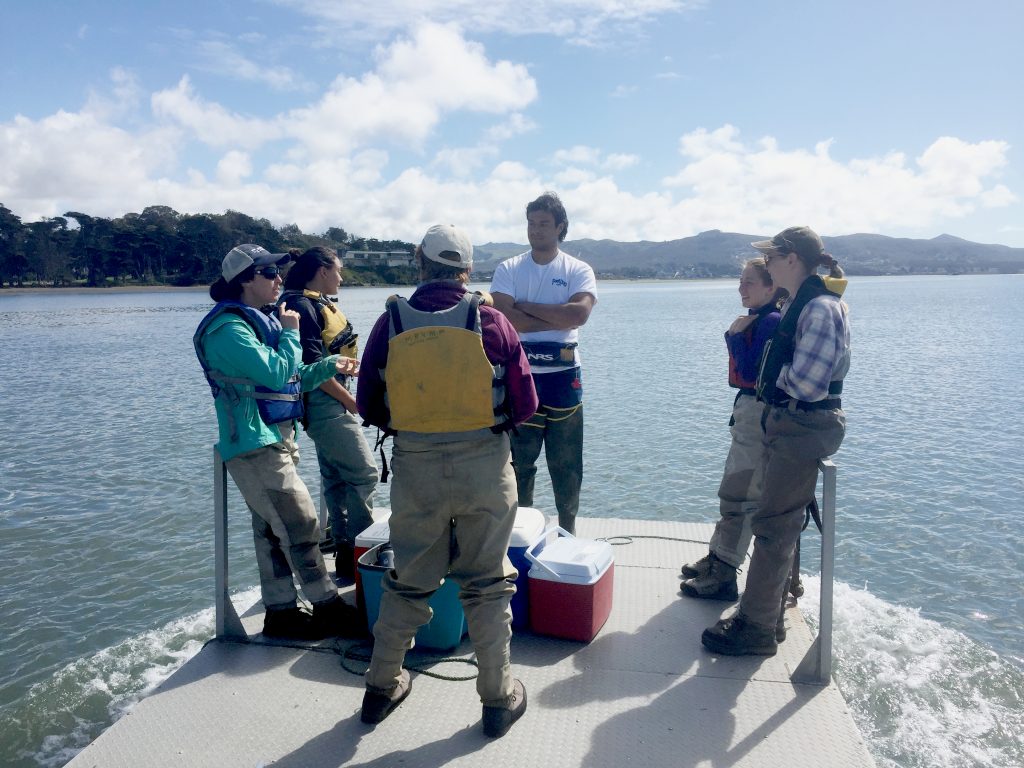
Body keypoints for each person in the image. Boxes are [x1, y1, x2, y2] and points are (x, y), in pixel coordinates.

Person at [356, 224, 538, 738]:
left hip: (416, 467)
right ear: (467, 268)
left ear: (419, 262)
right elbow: (524, 402)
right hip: (485, 466)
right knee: (486, 582)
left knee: (409, 579)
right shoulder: (493, 321)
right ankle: (497, 700)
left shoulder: (389, 322)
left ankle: (380, 687)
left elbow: (370, 403)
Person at [194, 243, 365, 640]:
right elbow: (273, 373)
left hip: (273, 437)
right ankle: (326, 607)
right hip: (253, 442)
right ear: (245, 281)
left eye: (277, 273)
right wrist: (291, 333)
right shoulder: (227, 330)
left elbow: (290, 378)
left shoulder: (256, 321)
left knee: (272, 529)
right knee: (300, 521)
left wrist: (329, 365)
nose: (278, 280)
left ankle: (281, 613)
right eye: (269, 274)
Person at [701, 226, 850, 656]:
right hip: (789, 423)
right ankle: (767, 614)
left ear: (792, 259)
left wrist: (771, 377)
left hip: (802, 424)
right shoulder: (799, 306)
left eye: (771, 257)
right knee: (773, 523)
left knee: (775, 528)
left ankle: (757, 626)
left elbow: (806, 382)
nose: (765, 264)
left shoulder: (820, 309)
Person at [489, 192, 597, 534]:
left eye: (544, 224)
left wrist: (526, 307)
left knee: (566, 464)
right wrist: (557, 318)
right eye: (531, 224)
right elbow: (505, 318)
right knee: (520, 463)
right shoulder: (508, 268)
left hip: (564, 379)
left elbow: (579, 314)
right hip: (521, 376)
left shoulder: (578, 269)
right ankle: (521, 531)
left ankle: (568, 530)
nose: (535, 231)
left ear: (560, 228)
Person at [680, 258, 783, 601]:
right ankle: (717, 558)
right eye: (740, 282)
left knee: (740, 495)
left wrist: (733, 336)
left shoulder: (769, 322)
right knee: (732, 490)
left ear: (771, 288)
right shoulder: (761, 319)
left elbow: (753, 370)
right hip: (750, 411)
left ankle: (723, 573)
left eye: (749, 282)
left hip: (756, 412)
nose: (741, 288)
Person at [279, 246, 378, 581]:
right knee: (364, 474)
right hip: (325, 404)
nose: (341, 276)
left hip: (326, 401)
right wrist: (351, 402)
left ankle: (346, 557)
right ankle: (362, 553)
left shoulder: (306, 302)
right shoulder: (303, 305)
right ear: (321, 270)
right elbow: (310, 368)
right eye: (337, 270)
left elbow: (325, 356)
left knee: (336, 479)